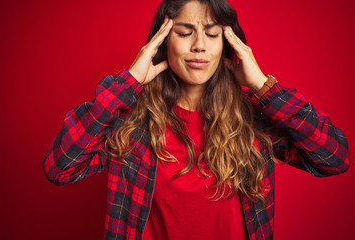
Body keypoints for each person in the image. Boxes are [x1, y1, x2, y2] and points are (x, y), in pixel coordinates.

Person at [42, 0, 351, 239]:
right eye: (185, 32)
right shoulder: (131, 122)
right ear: (163, 42)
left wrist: (263, 86)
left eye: (212, 33)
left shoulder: (253, 122)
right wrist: (129, 81)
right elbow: (60, 167)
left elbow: (334, 159)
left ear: (228, 45)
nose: (199, 45)